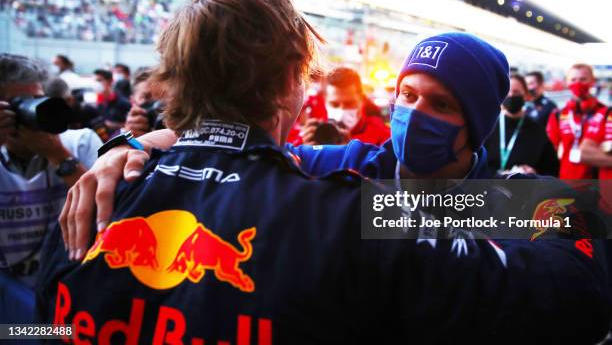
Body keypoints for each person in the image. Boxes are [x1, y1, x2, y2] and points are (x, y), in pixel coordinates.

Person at [53, 22, 610, 343]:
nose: (415, 113)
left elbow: (582, 261)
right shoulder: (347, 162)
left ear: (478, 123)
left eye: (441, 104)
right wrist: (125, 147)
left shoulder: (507, 190)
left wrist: (531, 201)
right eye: (407, 95)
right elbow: (237, 146)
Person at [0, 54, 102, 322]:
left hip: (69, 297)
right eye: (17, 105)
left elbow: (106, 215)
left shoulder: (79, 143)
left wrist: (57, 154)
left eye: (37, 99)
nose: (33, 112)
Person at [485, 74, 559, 176]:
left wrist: (534, 174)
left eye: (516, 92)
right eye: (507, 92)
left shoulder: (537, 130)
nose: (511, 95)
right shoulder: (487, 128)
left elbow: (551, 168)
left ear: (526, 96)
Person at [299, 67, 390, 146]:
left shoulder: (383, 136)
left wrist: (352, 152)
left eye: (349, 104)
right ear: (325, 101)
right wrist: (306, 152)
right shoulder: (316, 133)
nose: (341, 110)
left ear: (362, 100)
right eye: (334, 104)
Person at [546, 63, 607, 179]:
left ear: (592, 81)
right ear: (567, 82)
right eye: (573, 79)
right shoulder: (558, 115)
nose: (578, 84)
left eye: (583, 79)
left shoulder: (605, 114)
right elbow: (549, 152)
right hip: (567, 183)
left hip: (597, 185)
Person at [122, 67, 160, 137]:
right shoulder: (120, 139)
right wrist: (130, 139)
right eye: (146, 97)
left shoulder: (180, 134)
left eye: (161, 96)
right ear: (133, 101)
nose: (157, 104)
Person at [93, 68, 131, 135]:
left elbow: (133, 124)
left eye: (99, 80)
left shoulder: (123, 102)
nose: (97, 84)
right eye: (95, 81)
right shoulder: (100, 102)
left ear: (110, 81)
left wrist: (114, 125)